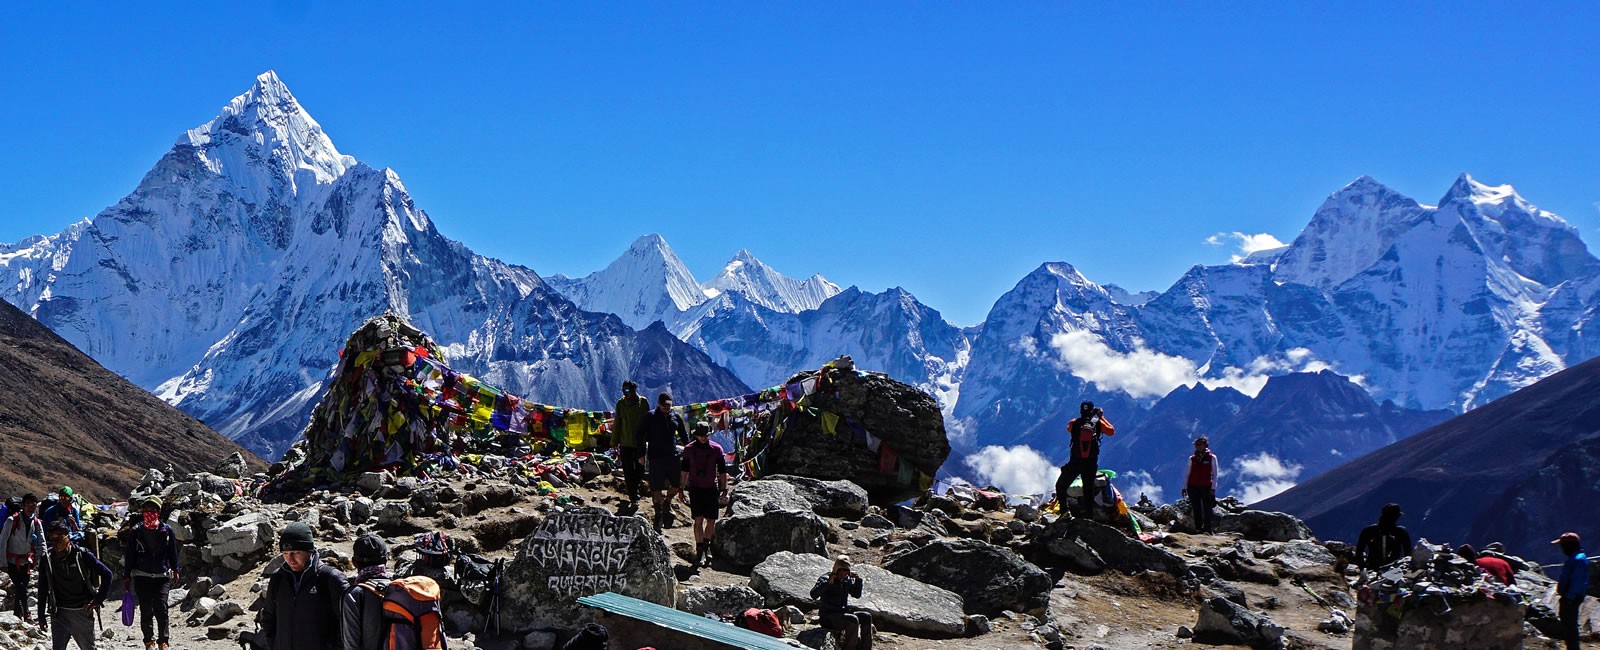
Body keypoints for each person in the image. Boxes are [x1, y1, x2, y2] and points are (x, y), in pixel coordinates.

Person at [260, 522, 349, 650]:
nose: (290, 559)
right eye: (285, 553)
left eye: (296, 552)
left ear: (309, 550)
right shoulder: (278, 578)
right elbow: (268, 617)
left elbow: (347, 624)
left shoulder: (330, 578)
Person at [37, 520, 112, 650]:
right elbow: (43, 588)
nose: (55, 543)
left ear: (67, 536)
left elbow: (107, 574)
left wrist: (98, 600)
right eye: (52, 538)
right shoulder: (47, 558)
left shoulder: (81, 555)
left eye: (59, 538)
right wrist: (41, 616)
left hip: (81, 611)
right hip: (58, 613)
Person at [123, 497, 179, 650]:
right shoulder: (136, 532)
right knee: (146, 609)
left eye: (152, 511)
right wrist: (127, 575)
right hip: (142, 576)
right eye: (146, 510)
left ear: (158, 512)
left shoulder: (167, 531)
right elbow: (130, 555)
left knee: (161, 608)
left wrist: (176, 569)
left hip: (162, 576)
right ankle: (149, 641)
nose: (149, 513)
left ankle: (163, 641)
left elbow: (173, 552)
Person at [679, 422, 730, 565]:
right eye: (700, 435)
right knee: (698, 519)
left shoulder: (716, 449)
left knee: (711, 520)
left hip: (711, 488)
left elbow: (722, 471)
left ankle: (706, 546)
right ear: (696, 435)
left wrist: (724, 490)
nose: (703, 438)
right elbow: (684, 470)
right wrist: (681, 488)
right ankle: (699, 550)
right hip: (695, 488)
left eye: (705, 435)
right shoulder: (689, 450)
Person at [1054, 401, 1115, 518]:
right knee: (1088, 490)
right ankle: (1089, 517)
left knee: (1061, 485)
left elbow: (1068, 429)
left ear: (1081, 410)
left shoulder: (1074, 423)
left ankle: (1064, 511)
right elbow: (1111, 431)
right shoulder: (1098, 424)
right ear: (1092, 411)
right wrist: (1101, 417)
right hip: (1090, 463)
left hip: (1075, 462)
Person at [641, 392, 688, 531]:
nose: (666, 408)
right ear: (659, 404)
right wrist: (640, 454)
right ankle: (658, 515)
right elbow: (640, 435)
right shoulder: (650, 417)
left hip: (672, 456)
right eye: (664, 405)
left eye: (669, 405)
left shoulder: (676, 417)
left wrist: (690, 450)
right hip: (655, 457)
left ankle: (667, 501)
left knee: (676, 484)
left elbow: (684, 435)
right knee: (656, 487)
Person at [810, 555, 872, 650]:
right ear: (837, 569)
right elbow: (813, 594)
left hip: (842, 614)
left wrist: (858, 581)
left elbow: (856, 594)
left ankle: (866, 648)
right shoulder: (825, 578)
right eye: (843, 570)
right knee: (853, 619)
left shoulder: (846, 580)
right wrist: (828, 583)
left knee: (866, 616)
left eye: (847, 570)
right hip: (828, 616)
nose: (845, 573)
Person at [342, 533, 391, 650]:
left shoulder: (354, 595)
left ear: (354, 562)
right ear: (385, 561)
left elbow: (351, 644)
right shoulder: (400, 589)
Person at [1, 493, 45, 622]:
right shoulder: (11, 520)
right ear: (23, 506)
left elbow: (41, 541)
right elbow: (2, 541)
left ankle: (17, 615)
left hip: (27, 560)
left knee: (22, 588)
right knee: (20, 586)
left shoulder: (36, 522)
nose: (31, 507)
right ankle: (26, 612)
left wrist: (40, 558)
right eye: (28, 504)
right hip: (11, 560)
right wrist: (2, 562)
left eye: (33, 505)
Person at [613, 380, 651, 511]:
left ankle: (636, 489)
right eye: (623, 390)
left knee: (640, 470)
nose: (625, 393)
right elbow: (617, 423)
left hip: (640, 443)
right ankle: (633, 496)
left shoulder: (643, 403)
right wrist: (614, 441)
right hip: (625, 442)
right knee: (628, 470)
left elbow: (648, 421)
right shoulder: (621, 404)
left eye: (627, 390)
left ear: (634, 390)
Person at [1553, 532, 1588, 650]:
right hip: (1570, 597)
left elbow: (1577, 581)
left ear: (1569, 545)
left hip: (1571, 598)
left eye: (1563, 545)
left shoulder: (1578, 560)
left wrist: (1569, 598)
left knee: (1570, 626)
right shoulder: (1576, 558)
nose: (1561, 548)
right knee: (1568, 626)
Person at [1353, 503, 1411, 573]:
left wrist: (1363, 568)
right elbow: (1408, 554)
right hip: (1394, 570)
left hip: (1372, 568)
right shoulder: (1401, 532)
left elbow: (1359, 552)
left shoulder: (1368, 531)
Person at [1181, 436, 1219, 533]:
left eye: (1200, 444)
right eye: (1196, 445)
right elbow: (1187, 473)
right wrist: (1184, 487)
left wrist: (1213, 488)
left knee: (1207, 508)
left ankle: (1207, 528)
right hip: (1192, 486)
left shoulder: (1211, 458)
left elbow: (1214, 474)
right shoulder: (1192, 458)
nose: (1198, 447)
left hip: (1206, 486)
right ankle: (1198, 528)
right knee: (1196, 507)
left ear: (1205, 445)